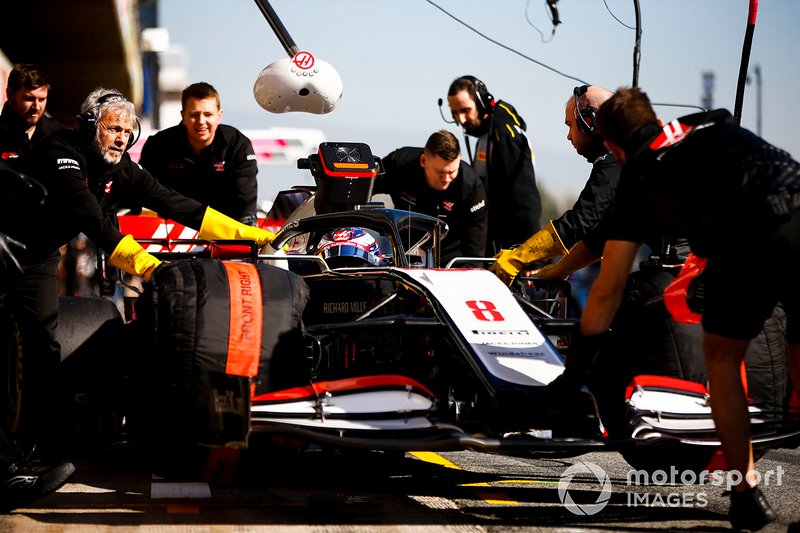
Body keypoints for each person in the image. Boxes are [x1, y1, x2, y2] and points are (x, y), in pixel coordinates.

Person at [554, 87, 799, 531]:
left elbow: (607, 293)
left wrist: (574, 375)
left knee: (722, 361)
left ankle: (747, 495)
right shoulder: (709, 120)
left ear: (612, 145)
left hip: (754, 229)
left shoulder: (640, 173)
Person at [3, 88, 275, 456]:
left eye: (127, 131)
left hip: (37, 257)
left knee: (43, 348)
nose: (121, 138)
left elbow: (178, 205)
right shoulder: (60, 151)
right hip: (3, 244)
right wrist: (153, 268)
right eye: (113, 128)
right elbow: (94, 222)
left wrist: (254, 234)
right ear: (88, 126)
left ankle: (31, 450)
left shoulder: (122, 167)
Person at [490, 85, 619, 285]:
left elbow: (581, 220)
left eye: (570, 125)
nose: (568, 136)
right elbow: (599, 239)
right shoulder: (618, 157)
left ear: (588, 122)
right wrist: (555, 271)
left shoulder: (617, 160)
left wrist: (519, 257)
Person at [138, 82, 258, 225]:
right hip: (168, 230)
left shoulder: (238, 145)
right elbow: (140, 192)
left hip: (224, 229)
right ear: (183, 116)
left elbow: (246, 202)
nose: (201, 121)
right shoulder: (158, 145)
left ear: (219, 116)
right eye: (194, 115)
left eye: (208, 114)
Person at [447, 75, 541, 254]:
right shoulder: (487, 135)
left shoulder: (503, 134)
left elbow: (525, 197)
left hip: (512, 249)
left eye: (466, 110)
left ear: (483, 103)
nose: (461, 119)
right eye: (455, 113)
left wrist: (531, 255)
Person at [376, 130, 487, 266]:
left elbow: (474, 254)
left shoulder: (471, 187)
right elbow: (362, 190)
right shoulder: (399, 164)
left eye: (452, 172)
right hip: (400, 253)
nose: (446, 179)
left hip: (450, 262)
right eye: (440, 172)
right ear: (423, 161)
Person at [0, 64, 63, 165]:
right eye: (29, 99)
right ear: (10, 95)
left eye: (42, 99)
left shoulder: (58, 134)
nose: (37, 107)